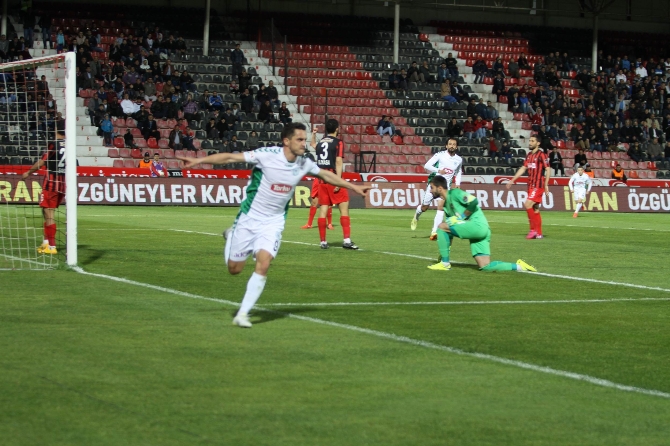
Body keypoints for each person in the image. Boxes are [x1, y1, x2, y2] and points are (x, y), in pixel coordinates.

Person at [176, 123, 371, 328]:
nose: (304, 144)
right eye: (300, 140)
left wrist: (353, 187)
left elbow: (326, 175)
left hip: (274, 222)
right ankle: (232, 234)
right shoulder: (267, 155)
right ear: (286, 141)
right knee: (234, 269)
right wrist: (198, 160)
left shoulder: (304, 163)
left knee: (264, 262)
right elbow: (230, 157)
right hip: (250, 217)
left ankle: (243, 314)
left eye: (305, 140)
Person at [427, 176, 537, 273]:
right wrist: (443, 254)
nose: (430, 191)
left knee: (441, 226)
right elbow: (448, 233)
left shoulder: (455, 193)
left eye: (432, 187)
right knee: (485, 266)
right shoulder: (446, 207)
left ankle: (445, 264)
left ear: (440, 188)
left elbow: (474, 201)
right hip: (480, 231)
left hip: (477, 226)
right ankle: (520, 266)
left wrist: (461, 217)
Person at [314, 119, 359, 249]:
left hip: (322, 179)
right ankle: (346, 240)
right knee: (344, 208)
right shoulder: (338, 142)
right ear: (337, 129)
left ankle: (323, 242)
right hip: (333, 178)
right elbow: (339, 162)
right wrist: (339, 181)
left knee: (323, 209)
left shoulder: (321, 142)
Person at [20, 130, 66, 255]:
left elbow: (42, 162)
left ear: (56, 130)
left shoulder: (54, 144)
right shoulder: (69, 145)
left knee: (49, 213)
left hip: (51, 183)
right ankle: (46, 242)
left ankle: (52, 246)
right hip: (62, 184)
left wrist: (28, 172)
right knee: (46, 211)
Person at [410, 138, 462, 240]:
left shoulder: (459, 159)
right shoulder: (440, 155)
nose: (452, 146)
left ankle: (434, 232)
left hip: (444, 187)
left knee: (441, 207)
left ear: (456, 147)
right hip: (434, 185)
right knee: (424, 208)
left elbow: (459, 171)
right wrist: (438, 170)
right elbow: (427, 165)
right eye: (450, 144)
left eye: (454, 144)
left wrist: (458, 183)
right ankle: (417, 215)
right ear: (446, 146)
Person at [506, 135, 551, 239]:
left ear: (538, 143)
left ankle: (533, 230)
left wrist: (546, 184)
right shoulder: (529, 155)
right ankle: (539, 233)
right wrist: (513, 180)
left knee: (527, 204)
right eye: (529, 141)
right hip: (530, 185)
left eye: (532, 141)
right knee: (535, 208)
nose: (530, 143)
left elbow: (548, 169)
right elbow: (523, 168)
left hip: (538, 185)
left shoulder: (542, 155)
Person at [302, 128, 334, 230]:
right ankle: (309, 224)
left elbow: (312, 144)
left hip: (327, 176)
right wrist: (314, 134)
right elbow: (312, 144)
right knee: (314, 201)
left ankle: (329, 224)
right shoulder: (324, 149)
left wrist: (314, 134)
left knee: (328, 202)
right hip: (319, 176)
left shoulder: (330, 151)